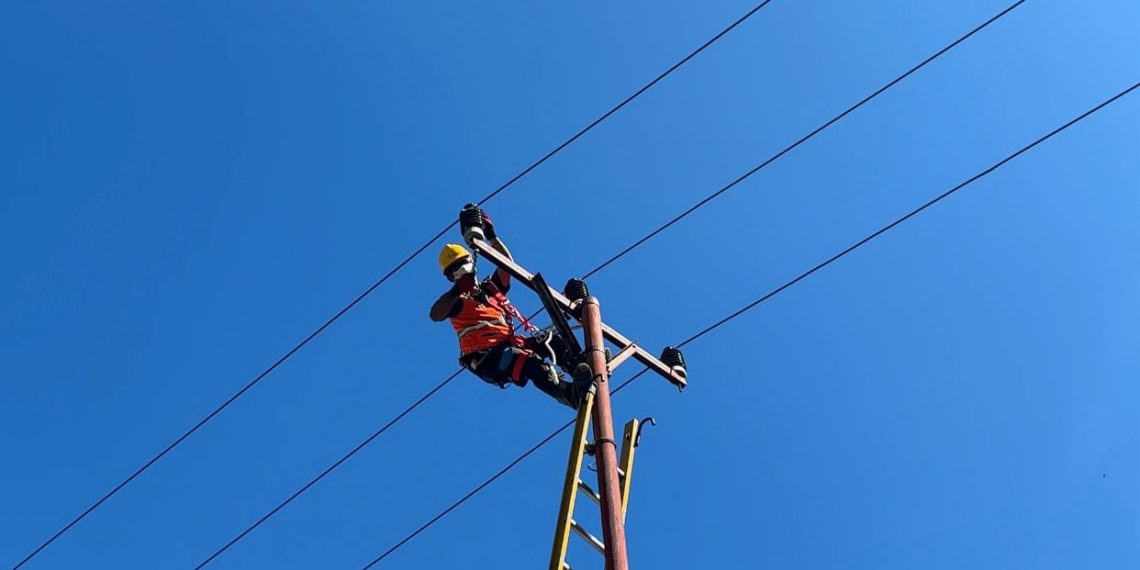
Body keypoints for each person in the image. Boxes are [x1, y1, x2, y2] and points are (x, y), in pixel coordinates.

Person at [429, 207, 590, 409]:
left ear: (471, 261)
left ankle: (583, 368)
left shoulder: (491, 289)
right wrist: (456, 291)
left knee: (550, 341)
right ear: (450, 277)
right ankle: (570, 395)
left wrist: (490, 236)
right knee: (531, 364)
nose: (460, 270)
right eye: (454, 269)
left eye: (461, 263)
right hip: (487, 358)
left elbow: (507, 266)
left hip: (511, 345)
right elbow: (435, 314)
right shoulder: (459, 301)